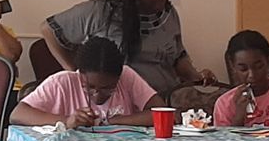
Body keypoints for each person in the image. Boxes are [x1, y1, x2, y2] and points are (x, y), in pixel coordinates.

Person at [42, 0, 213, 97]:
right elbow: (48, 29)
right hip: (121, 105)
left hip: (162, 101)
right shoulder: (100, 11)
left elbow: (177, 57)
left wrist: (196, 76)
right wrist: (74, 73)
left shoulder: (168, 14)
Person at [10, 35, 158, 129]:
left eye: (108, 89)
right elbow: (18, 114)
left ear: (119, 77)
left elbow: (163, 114)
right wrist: (67, 121)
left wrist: (114, 121)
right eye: (90, 87)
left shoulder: (127, 76)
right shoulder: (62, 82)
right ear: (79, 74)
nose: (98, 96)